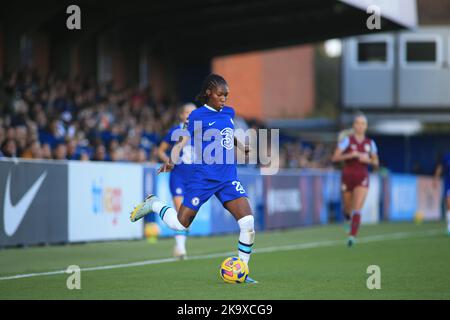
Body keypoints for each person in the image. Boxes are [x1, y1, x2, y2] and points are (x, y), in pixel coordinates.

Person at [130, 74, 257, 283]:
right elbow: (182, 140)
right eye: (220, 94)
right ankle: (154, 204)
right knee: (181, 225)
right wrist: (171, 159)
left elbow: (227, 133)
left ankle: (242, 271)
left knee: (248, 223)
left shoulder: (229, 112)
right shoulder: (197, 116)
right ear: (209, 93)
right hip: (204, 178)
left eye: (226, 95)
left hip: (227, 178)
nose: (224, 98)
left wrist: (241, 146)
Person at [332, 112, 379, 247]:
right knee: (347, 207)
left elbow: (376, 162)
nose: (360, 126)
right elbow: (335, 157)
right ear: (354, 126)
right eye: (357, 123)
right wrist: (350, 155)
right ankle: (347, 218)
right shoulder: (347, 141)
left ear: (366, 126)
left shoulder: (370, 143)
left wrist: (368, 160)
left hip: (362, 176)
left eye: (362, 123)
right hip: (347, 175)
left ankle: (352, 236)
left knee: (357, 207)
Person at [157, 103, 196, 260]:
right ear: (181, 115)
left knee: (188, 217)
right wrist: (169, 161)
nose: (189, 115)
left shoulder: (202, 132)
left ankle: (179, 246)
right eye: (186, 112)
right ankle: (180, 249)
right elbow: (160, 150)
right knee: (181, 212)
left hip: (194, 178)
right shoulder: (174, 131)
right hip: (178, 176)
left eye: (192, 112)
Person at [433, 152, 450, 235]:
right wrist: (436, 178)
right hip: (448, 183)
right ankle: (449, 225)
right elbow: (440, 168)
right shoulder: (446, 157)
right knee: (449, 202)